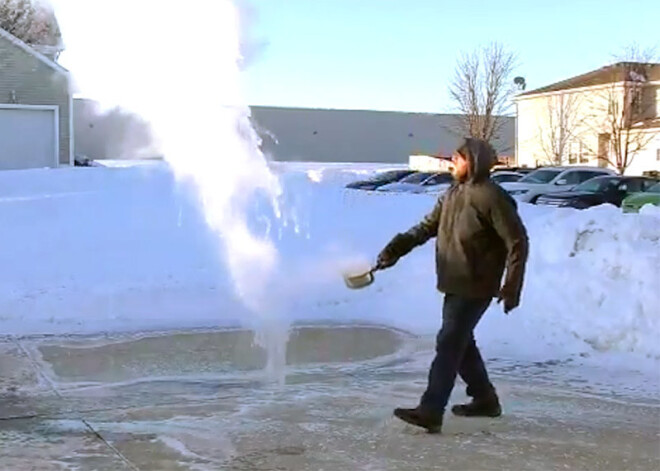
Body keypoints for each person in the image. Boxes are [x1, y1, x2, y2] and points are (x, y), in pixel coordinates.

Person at [375, 137, 529, 434]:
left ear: (473, 162)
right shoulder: (452, 195)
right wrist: (395, 249)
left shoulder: (492, 197)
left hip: (477, 284)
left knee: (449, 342)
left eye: (457, 159)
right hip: (454, 281)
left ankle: (431, 409)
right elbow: (425, 228)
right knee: (461, 343)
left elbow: (517, 242)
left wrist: (512, 285)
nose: (452, 164)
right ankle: (485, 399)